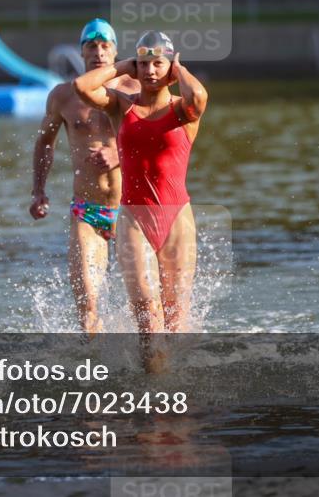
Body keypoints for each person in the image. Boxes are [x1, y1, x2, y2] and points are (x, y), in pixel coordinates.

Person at [73, 32, 208, 347]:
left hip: (178, 220)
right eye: (143, 64)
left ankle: (172, 388)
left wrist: (178, 69)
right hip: (134, 217)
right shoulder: (122, 107)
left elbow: (199, 97)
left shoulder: (182, 111)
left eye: (157, 64)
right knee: (148, 316)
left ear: (170, 69)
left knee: (175, 319)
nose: (149, 71)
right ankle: (148, 386)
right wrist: (123, 66)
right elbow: (82, 87)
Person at [30, 19, 140, 335]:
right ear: (82, 52)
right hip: (88, 214)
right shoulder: (63, 97)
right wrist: (38, 191)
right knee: (88, 311)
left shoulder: (133, 91)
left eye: (106, 46)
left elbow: (158, 141)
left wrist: (119, 156)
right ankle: (96, 374)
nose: (99, 52)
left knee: (147, 307)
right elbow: (44, 144)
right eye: (91, 46)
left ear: (116, 51)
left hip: (132, 212)